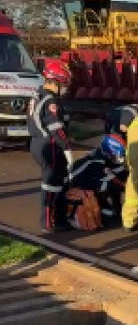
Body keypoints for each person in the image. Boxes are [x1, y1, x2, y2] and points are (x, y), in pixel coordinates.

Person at [27, 60, 74, 232]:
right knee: (52, 184)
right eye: (64, 83)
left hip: (39, 142)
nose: (66, 88)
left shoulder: (38, 94)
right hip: (50, 145)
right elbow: (56, 128)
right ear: (56, 82)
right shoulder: (50, 101)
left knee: (60, 181)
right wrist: (66, 147)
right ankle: (48, 221)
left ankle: (59, 218)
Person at [66, 133, 128, 226]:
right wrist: (128, 190)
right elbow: (109, 183)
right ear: (109, 152)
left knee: (112, 181)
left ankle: (116, 208)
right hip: (79, 191)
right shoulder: (95, 162)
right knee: (110, 217)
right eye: (116, 156)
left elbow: (119, 169)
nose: (118, 159)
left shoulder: (101, 156)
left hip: (87, 186)